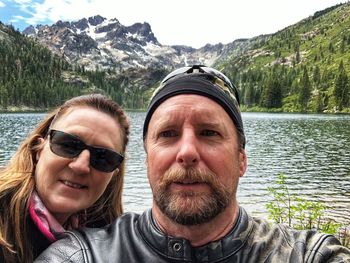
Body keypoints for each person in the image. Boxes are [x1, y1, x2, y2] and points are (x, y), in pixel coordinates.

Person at [35, 66, 350, 262]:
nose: (186, 151)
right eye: (168, 134)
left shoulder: (305, 255)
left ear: (242, 159)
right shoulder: (83, 256)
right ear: (148, 161)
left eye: (209, 133)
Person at [0, 94, 130, 262]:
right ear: (38, 149)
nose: (81, 166)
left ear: (113, 174)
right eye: (68, 145)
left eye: (103, 157)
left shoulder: (110, 238)